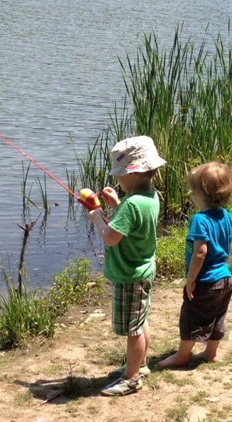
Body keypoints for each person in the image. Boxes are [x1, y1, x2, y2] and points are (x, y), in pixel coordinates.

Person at [87, 135, 166, 396]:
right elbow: (134, 224)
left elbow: (111, 238)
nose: (117, 180)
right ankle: (140, 364)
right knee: (140, 321)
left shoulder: (132, 204)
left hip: (129, 274)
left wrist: (97, 216)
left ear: (131, 174)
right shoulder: (150, 196)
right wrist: (116, 205)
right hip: (143, 269)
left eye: (119, 175)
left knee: (132, 329)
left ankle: (131, 378)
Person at [158, 161, 232, 368]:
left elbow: (200, 252)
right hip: (225, 278)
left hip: (206, 280)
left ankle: (181, 356)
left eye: (192, 190)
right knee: (217, 316)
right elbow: (228, 242)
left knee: (191, 317)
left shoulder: (200, 219)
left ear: (202, 193)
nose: (191, 195)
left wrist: (191, 280)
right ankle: (210, 353)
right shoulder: (226, 215)